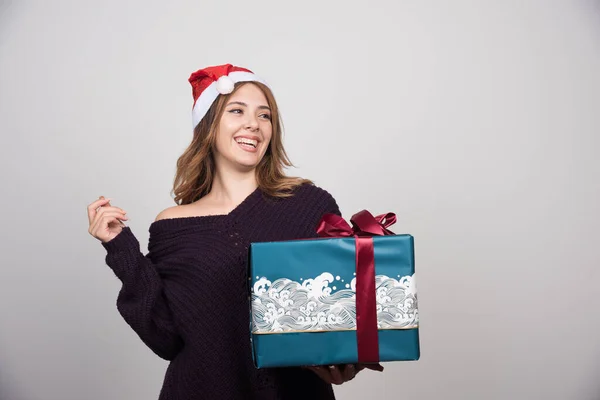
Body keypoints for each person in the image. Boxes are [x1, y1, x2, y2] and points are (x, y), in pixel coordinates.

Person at [87, 64, 377, 399]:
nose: (253, 124)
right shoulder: (172, 225)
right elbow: (165, 337)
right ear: (208, 126)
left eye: (264, 116)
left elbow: (342, 308)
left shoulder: (309, 203)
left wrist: (347, 362)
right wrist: (120, 247)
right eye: (237, 111)